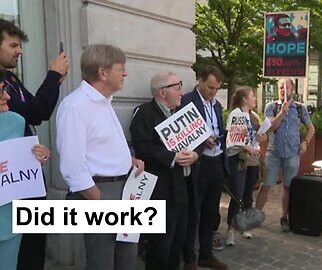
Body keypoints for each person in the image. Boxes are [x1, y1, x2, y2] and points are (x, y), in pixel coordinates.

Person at [56, 44, 144, 270]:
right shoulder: (75, 106)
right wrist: (98, 198)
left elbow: (99, 146)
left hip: (122, 190)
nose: (125, 73)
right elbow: (72, 163)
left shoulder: (104, 102)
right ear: (103, 73)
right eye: (120, 68)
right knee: (102, 261)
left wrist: (127, 161)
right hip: (100, 193)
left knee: (126, 256)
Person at [0, 19, 68, 270]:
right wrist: (52, 75)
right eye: (13, 45)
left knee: (33, 244)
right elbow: (32, 110)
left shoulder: (11, 80)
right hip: (8, 192)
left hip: (25, 180)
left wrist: (56, 81)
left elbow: (38, 113)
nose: (20, 51)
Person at [130, 72, 199, 270]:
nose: (181, 92)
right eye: (177, 87)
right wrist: (172, 158)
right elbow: (143, 147)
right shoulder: (144, 113)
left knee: (177, 246)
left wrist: (195, 155)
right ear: (162, 92)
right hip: (161, 193)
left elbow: (199, 141)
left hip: (184, 189)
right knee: (160, 249)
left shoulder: (181, 112)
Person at [0, 70, 51, 270]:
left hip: (9, 217)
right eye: (1, 93)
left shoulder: (16, 120)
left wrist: (39, 156)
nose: (7, 97)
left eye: (4, 90)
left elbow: (22, 160)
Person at [181, 66, 229, 270]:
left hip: (217, 160)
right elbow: (182, 132)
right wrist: (202, 141)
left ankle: (206, 254)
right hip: (198, 164)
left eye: (216, 88)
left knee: (211, 211)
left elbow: (218, 127)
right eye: (210, 87)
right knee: (194, 211)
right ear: (200, 81)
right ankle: (189, 257)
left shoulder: (217, 105)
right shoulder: (186, 101)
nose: (213, 92)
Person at [255, 77, 315, 232]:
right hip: (273, 153)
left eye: (286, 88)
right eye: (280, 87)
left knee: (288, 187)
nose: (283, 90)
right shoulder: (271, 107)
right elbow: (269, 128)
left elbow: (311, 128)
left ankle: (284, 218)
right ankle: (257, 214)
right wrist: (282, 112)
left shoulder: (300, 108)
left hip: (293, 153)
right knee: (266, 184)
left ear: (292, 90)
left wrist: (305, 142)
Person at [224, 86, 266, 246]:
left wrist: (259, 138)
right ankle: (230, 230)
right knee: (237, 194)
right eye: (252, 96)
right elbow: (233, 139)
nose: (254, 99)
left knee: (248, 193)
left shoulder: (253, 116)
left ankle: (245, 225)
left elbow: (251, 137)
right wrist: (246, 147)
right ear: (244, 99)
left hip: (253, 159)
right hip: (240, 159)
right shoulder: (236, 114)